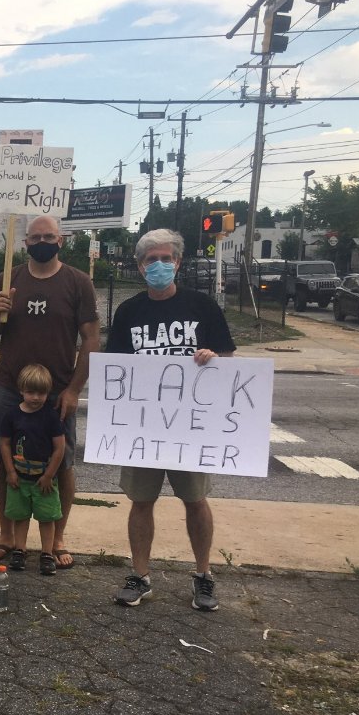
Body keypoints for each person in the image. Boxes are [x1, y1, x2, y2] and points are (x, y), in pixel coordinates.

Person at [105, 229, 236, 611]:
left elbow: (227, 361)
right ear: (140, 265)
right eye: (150, 260)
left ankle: (203, 575)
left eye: (166, 258)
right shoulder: (129, 311)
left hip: (190, 427)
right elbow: (117, 370)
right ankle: (140, 575)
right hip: (144, 427)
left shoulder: (202, 306)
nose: (158, 266)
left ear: (178, 262)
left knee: (195, 500)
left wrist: (211, 358)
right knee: (141, 500)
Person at [0, 215, 99, 569]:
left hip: (57, 391)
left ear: (60, 241)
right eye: (35, 237)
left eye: (49, 236)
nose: (42, 241)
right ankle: (8, 536)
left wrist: (74, 389)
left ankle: (56, 537)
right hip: (8, 388)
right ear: (25, 243)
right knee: (4, 460)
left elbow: (91, 339)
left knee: (62, 463)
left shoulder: (78, 282)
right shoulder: (8, 277)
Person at [0, 364, 67, 574]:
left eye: (41, 393)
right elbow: (5, 443)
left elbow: (59, 448)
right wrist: (10, 471)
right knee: (20, 516)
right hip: (19, 478)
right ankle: (20, 550)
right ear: (21, 390)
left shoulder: (51, 416)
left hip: (43, 480)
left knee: (47, 518)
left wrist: (49, 475)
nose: (35, 397)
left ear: (48, 393)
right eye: (30, 392)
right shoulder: (11, 415)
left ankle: (47, 554)